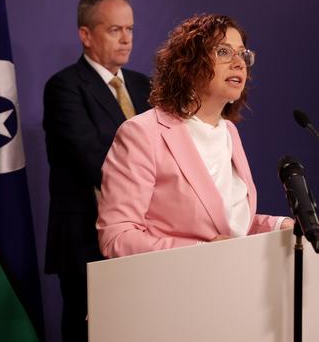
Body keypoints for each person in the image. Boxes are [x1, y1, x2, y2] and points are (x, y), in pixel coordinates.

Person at [96, 14, 294, 258]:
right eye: (223, 52)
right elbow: (118, 237)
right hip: (174, 287)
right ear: (188, 65)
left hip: (231, 280)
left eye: (243, 54)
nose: (239, 63)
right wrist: (200, 252)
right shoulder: (142, 133)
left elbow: (225, 225)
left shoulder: (229, 132)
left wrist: (279, 227)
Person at [43, 0, 151, 341]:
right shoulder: (64, 87)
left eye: (130, 29)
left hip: (145, 236)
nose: (126, 39)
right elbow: (93, 158)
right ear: (85, 35)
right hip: (85, 240)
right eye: (115, 30)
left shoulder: (144, 86)